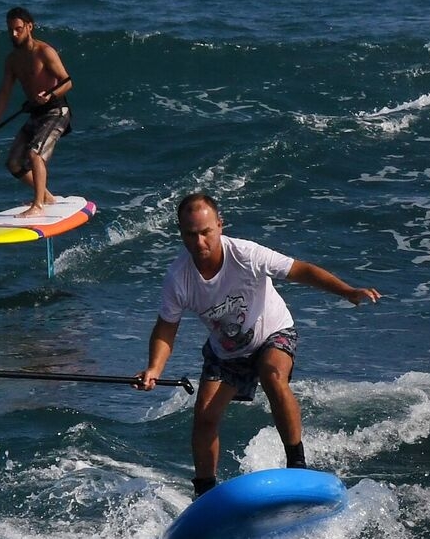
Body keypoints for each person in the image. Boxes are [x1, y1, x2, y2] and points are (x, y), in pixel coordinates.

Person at [135, 193, 381, 496]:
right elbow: (166, 327)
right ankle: (206, 494)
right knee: (205, 418)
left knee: (272, 374)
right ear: (181, 233)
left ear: (219, 226)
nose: (199, 243)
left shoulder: (246, 255)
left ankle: (297, 467)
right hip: (227, 352)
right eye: (190, 234)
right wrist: (154, 368)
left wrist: (347, 291)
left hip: (273, 333)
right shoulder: (179, 277)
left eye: (205, 232)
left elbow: (300, 270)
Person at [0, 6, 73, 216]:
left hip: (56, 110)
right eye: (10, 30)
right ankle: (47, 197)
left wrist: (50, 95)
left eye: (18, 29)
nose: (14, 34)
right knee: (14, 163)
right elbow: (4, 92)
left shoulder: (44, 52)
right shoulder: (13, 60)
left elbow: (68, 81)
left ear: (29, 27)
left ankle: (38, 206)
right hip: (36, 113)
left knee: (35, 154)